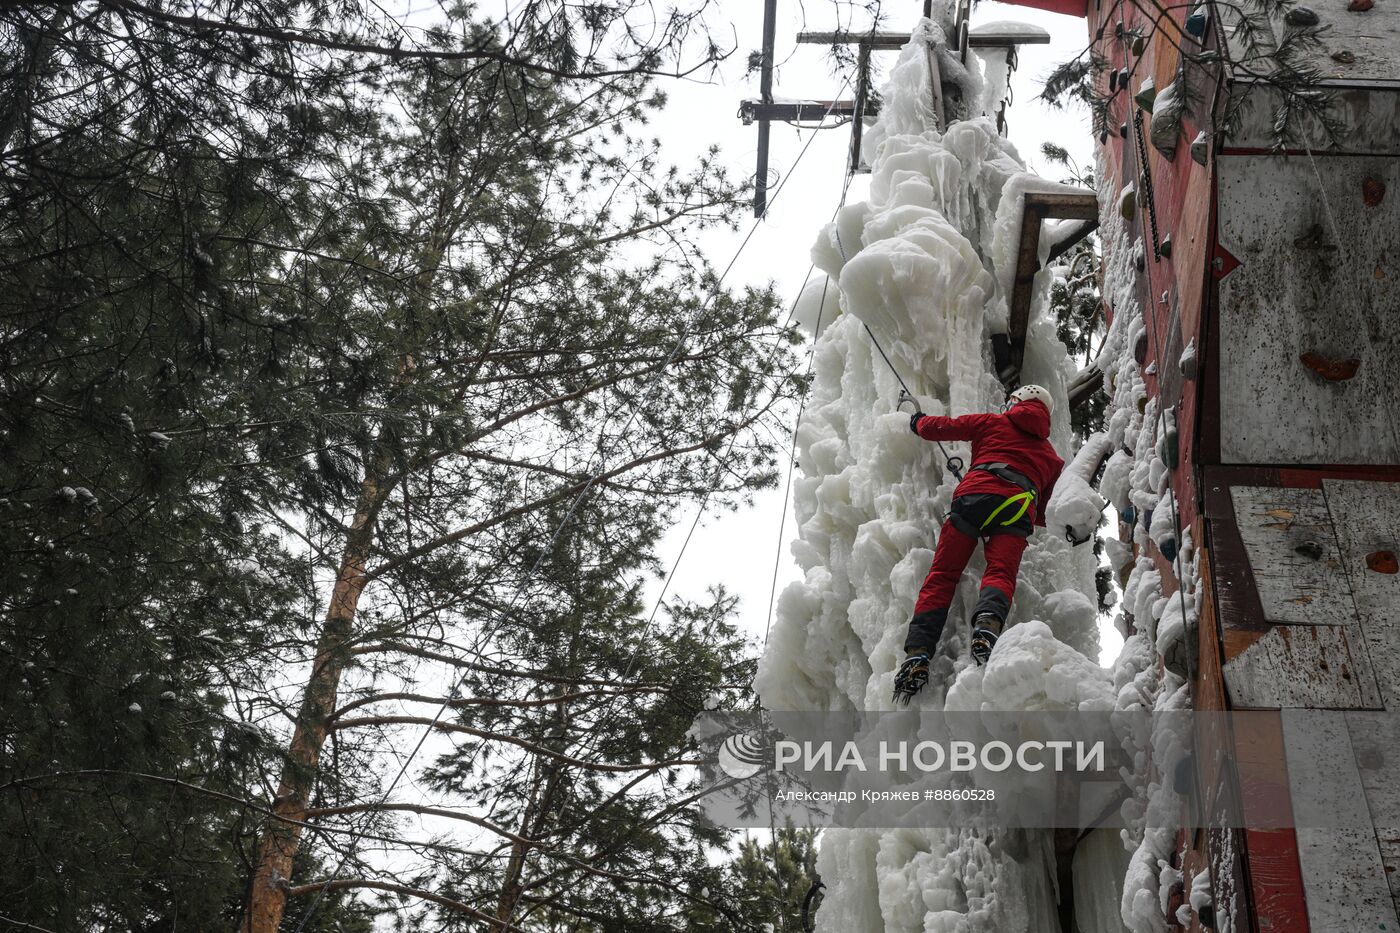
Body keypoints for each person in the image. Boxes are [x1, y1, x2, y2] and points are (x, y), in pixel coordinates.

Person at [893, 385, 1064, 703]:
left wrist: (917, 419)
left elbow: (944, 428)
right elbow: (1044, 513)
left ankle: (917, 653)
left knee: (942, 575)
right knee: (1000, 572)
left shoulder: (993, 422)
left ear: (1016, 402)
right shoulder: (1052, 458)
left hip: (974, 497)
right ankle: (987, 624)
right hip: (1017, 508)